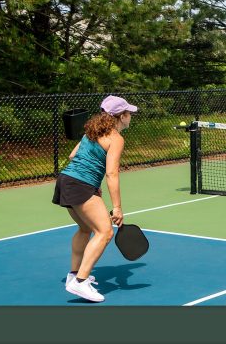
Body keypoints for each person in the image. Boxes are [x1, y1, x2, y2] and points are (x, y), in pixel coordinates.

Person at [52, 95, 136, 302]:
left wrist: (92, 184)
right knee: (105, 232)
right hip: (79, 184)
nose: (131, 116)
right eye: (129, 113)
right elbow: (112, 173)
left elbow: (73, 156)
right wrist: (117, 207)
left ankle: (73, 275)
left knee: (85, 228)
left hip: (65, 180)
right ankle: (80, 282)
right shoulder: (116, 139)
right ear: (121, 116)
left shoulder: (91, 131)